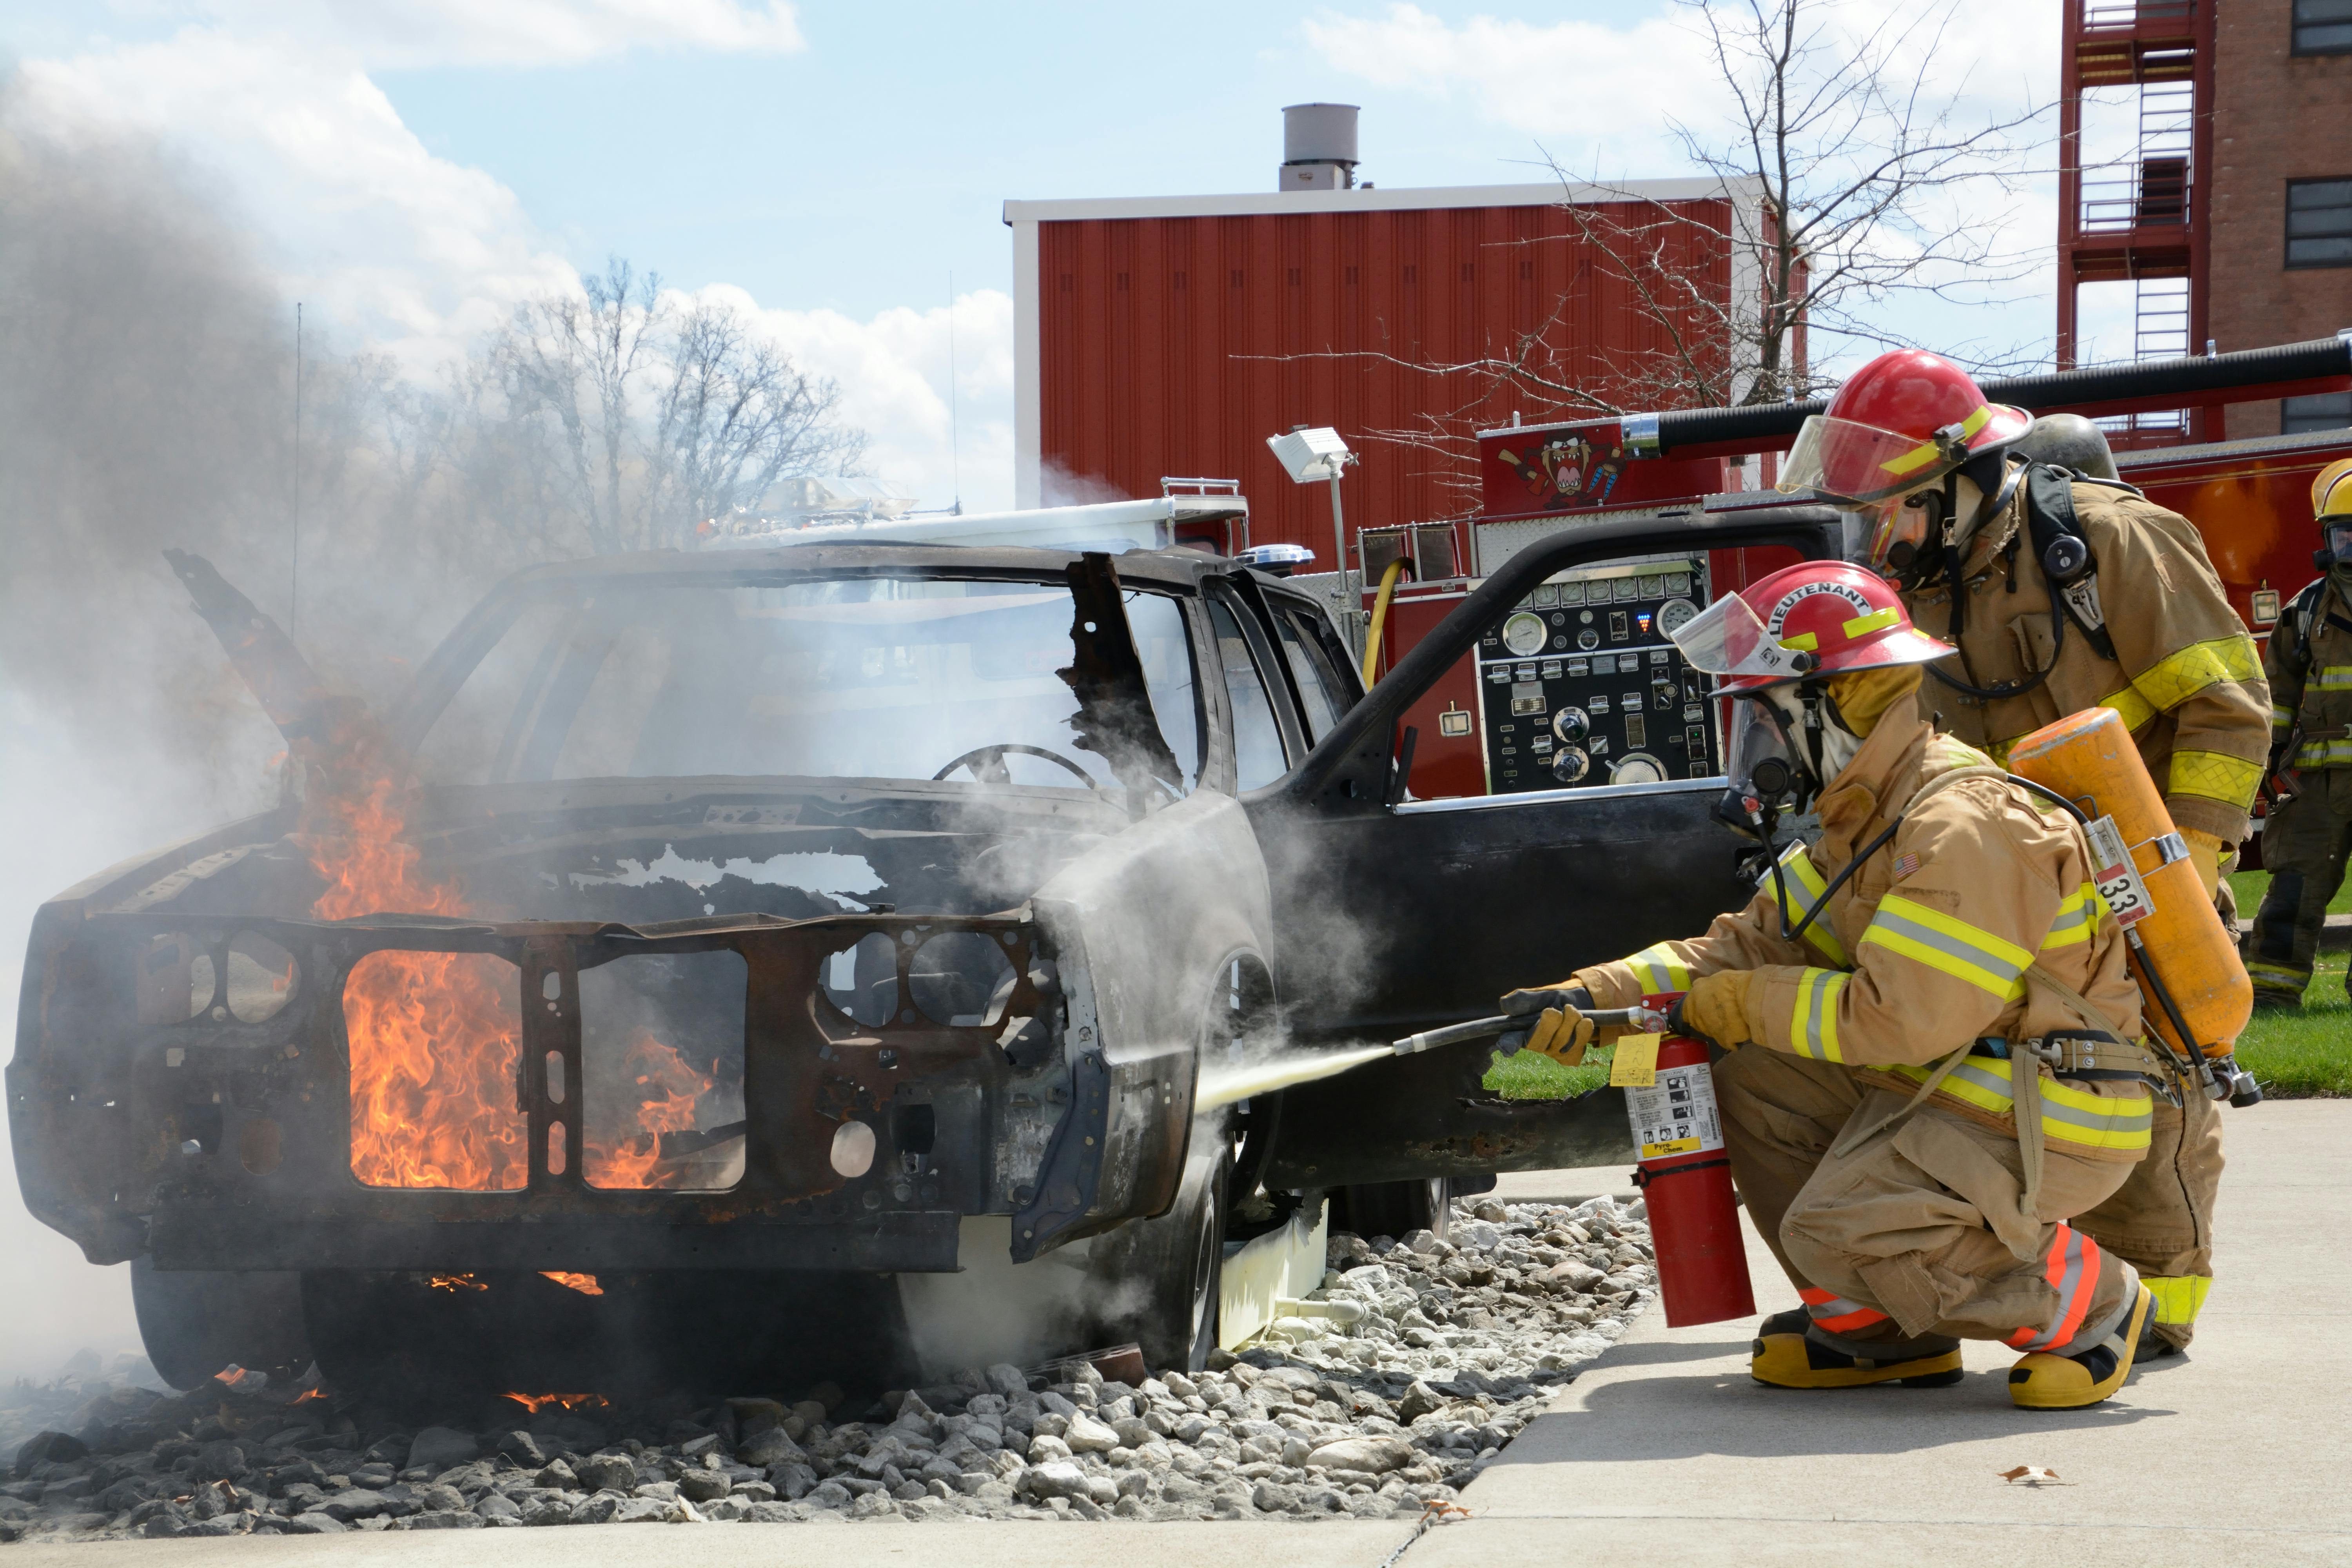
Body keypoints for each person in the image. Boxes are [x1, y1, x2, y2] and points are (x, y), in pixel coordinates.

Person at [1507, 561, 2160, 1408]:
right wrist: (1595, 996)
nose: (1759, 747)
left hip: (2057, 1105)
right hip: (1977, 1082)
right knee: (1750, 1076)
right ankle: (1881, 1334)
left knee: (1833, 1226)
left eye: (1767, 717)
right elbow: (1743, 948)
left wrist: (1747, 1004)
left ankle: (2093, 1304)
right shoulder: (1866, 820)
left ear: (1838, 701)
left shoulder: (1963, 824)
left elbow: (1902, 1018)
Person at [1775, 351, 2267, 1359]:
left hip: (2138, 860)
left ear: (1960, 481)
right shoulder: (1922, 587)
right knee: (2019, 1074)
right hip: (2010, 879)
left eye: (1895, 511)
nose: (1882, 537)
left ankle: (2159, 1298)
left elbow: (2226, 707)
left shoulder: (2113, 541)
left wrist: (2182, 868)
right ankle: (1949, 1278)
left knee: (2156, 1070)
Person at [2245, 457, 2352, 1008]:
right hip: (2317, 782)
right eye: (2343, 537)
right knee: (2295, 886)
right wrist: (2267, 760)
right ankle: (2271, 993)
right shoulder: (2305, 611)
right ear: (2326, 541)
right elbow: (2277, 694)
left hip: (2322, 777)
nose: (2351, 549)